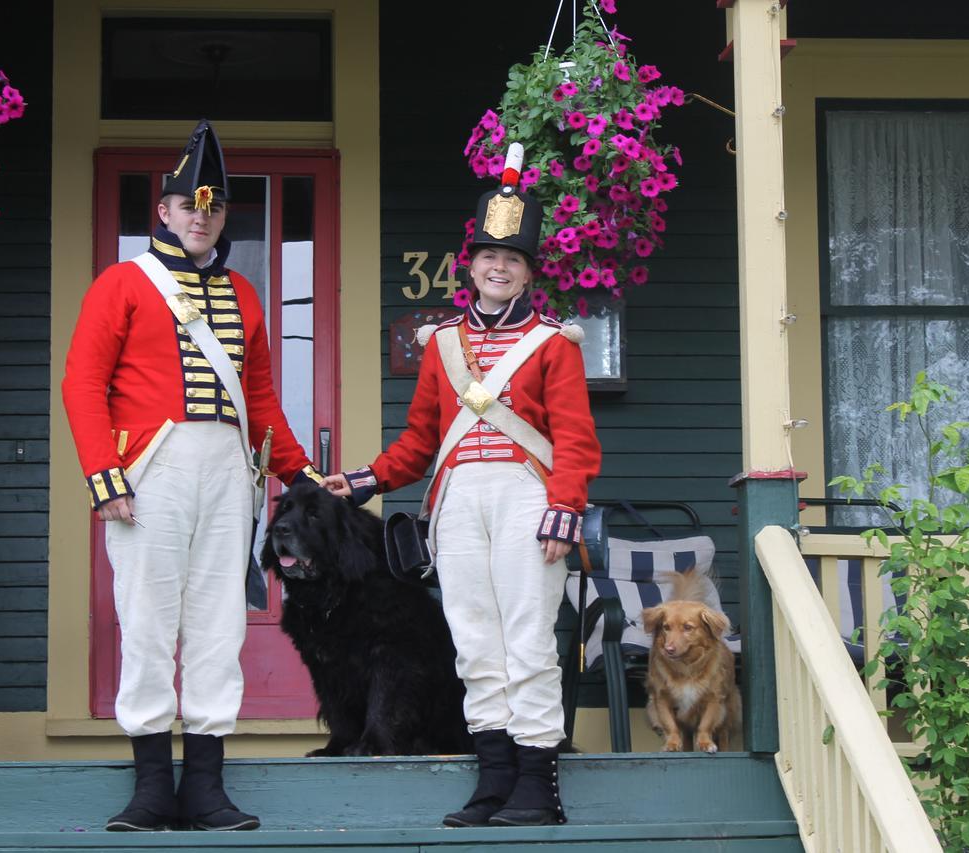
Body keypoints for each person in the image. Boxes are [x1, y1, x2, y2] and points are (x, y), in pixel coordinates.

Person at [322, 143, 601, 828]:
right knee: (474, 639)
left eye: (511, 259)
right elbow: (422, 439)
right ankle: (495, 778)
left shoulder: (553, 342)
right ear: (470, 264)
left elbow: (576, 438)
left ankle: (538, 784)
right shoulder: (444, 343)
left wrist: (565, 505)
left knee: (528, 637)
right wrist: (365, 479)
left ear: (528, 270)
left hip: (527, 495)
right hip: (457, 499)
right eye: (487, 257)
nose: (498, 267)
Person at [62, 120, 323, 833]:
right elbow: (83, 384)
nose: (200, 216)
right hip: (152, 466)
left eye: (212, 207)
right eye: (188, 205)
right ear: (165, 211)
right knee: (147, 620)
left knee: (217, 623)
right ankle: (152, 787)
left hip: (227, 470)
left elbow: (261, 399)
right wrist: (104, 474)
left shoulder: (243, 294)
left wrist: (300, 473)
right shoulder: (122, 284)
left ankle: (205, 786)